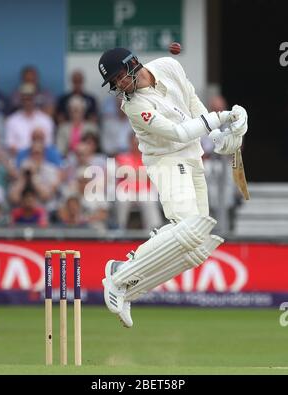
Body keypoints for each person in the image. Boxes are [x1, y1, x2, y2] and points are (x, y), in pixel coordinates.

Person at [98, 47, 248, 328]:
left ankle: (129, 288)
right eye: (114, 83)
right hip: (166, 160)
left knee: (198, 245)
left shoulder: (169, 66)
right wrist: (221, 118)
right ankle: (119, 274)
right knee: (187, 228)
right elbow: (178, 132)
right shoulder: (133, 106)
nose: (119, 85)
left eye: (120, 77)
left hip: (192, 157)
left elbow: (191, 101)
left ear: (133, 64)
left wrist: (219, 136)